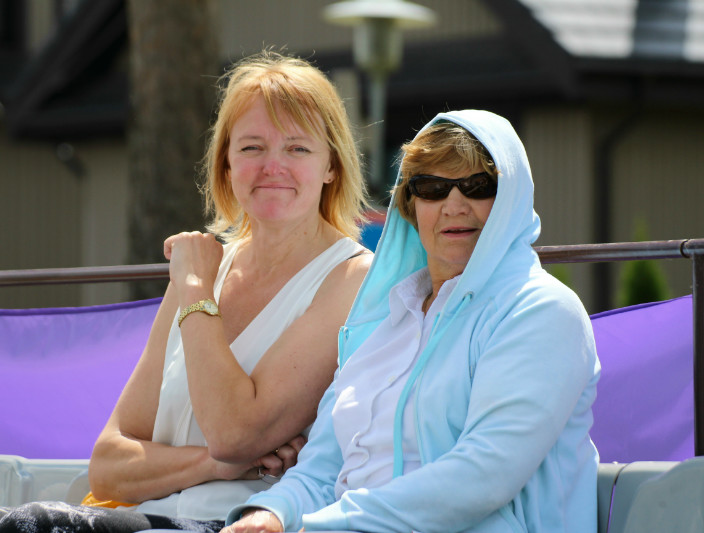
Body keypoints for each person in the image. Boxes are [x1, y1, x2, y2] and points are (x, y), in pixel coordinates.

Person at [0, 50, 372, 533]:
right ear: (225, 164)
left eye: (297, 149)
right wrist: (213, 464)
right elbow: (108, 465)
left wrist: (196, 290)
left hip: (233, 522)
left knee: (34, 525)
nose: (273, 166)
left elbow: (235, 433)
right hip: (139, 519)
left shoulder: (349, 278)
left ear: (332, 166)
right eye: (251, 148)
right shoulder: (203, 266)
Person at [225, 109, 601, 533]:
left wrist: (325, 527)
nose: (454, 205)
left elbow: (482, 477)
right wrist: (268, 515)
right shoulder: (383, 322)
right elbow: (321, 470)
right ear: (410, 204)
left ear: (510, 199)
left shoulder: (541, 310)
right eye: (432, 188)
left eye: (478, 187)